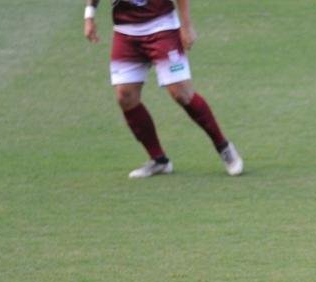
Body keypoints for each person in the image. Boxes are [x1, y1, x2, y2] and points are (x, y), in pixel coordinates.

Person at [84, 0, 243, 178]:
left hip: (162, 27)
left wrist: (186, 26)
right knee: (125, 96)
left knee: (181, 93)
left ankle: (224, 147)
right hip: (125, 32)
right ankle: (159, 160)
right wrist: (89, 16)